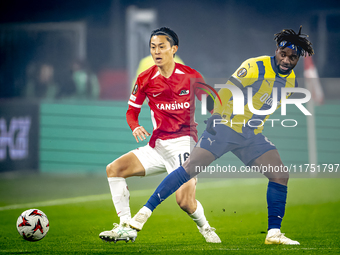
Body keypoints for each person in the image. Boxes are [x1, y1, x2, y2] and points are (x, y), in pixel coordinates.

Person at [129, 27, 314, 245]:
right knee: (189, 169)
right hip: (226, 126)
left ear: (298, 59)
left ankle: (274, 233)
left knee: (280, 174)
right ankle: (143, 214)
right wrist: (217, 115)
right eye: (283, 54)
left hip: (250, 134)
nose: (286, 60)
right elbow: (227, 90)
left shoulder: (291, 82)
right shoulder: (255, 66)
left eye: (292, 57)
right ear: (277, 50)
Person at [99, 27, 220, 243]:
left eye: (162, 47)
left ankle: (206, 228)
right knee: (114, 169)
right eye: (153, 47)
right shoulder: (145, 78)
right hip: (157, 146)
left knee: (184, 202)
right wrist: (135, 126)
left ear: (173, 49)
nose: (157, 52)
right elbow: (131, 111)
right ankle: (126, 226)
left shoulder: (191, 76)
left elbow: (214, 104)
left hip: (184, 144)